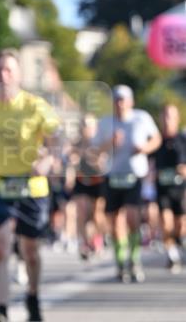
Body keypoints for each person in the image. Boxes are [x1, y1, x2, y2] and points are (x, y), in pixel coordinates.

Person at [0, 48, 60, 322]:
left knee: (30, 251)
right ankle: (1, 311)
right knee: (0, 247)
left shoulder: (36, 106)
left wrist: (48, 160)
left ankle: (32, 297)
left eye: (8, 70)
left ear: (18, 74)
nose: (2, 76)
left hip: (31, 186)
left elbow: (56, 140)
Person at [96, 85, 161, 283]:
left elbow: (156, 139)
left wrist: (144, 148)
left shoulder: (141, 118)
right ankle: (120, 261)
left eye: (123, 99)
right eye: (116, 100)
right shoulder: (105, 122)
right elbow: (95, 149)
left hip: (134, 176)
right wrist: (110, 144)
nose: (120, 103)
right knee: (115, 221)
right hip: (113, 175)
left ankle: (134, 258)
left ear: (131, 101)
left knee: (133, 217)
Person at [152, 103, 186, 272]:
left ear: (177, 118)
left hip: (181, 189)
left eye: (170, 116)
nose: (167, 120)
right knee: (166, 222)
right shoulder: (156, 140)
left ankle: (179, 240)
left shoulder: (183, 139)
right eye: (164, 116)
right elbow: (147, 161)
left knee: (181, 225)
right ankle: (172, 255)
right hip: (162, 188)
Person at [70, 113, 106, 260]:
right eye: (84, 125)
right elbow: (72, 161)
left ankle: (98, 239)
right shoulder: (76, 143)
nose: (86, 128)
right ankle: (83, 243)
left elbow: (102, 164)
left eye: (89, 125)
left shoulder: (99, 143)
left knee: (96, 215)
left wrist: (93, 158)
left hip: (97, 182)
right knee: (81, 212)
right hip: (81, 181)